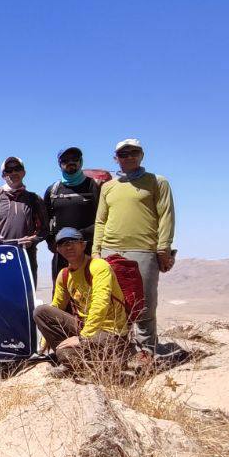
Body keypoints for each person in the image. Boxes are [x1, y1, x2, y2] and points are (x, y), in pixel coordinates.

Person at [93, 138, 176, 350]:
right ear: (116, 158)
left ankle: (147, 350)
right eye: (123, 154)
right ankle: (120, 349)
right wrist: (96, 251)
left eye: (134, 153)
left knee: (144, 303)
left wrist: (163, 248)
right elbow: (101, 220)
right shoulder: (108, 187)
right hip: (110, 250)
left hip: (143, 249)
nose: (129, 157)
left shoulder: (157, 182)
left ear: (142, 155)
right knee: (114, 302)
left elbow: (166, 216)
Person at [34, 228, 130, 372]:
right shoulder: (64, 275)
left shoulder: (98, 266)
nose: (68, 247)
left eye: (72, 242)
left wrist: (83, 338)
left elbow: (100, 303)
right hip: (84, 328)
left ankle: (96, 362)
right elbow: (56, 307)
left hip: (110, 332)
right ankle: (70, 357)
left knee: (64, 353)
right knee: (41, 312)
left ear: (83, 245)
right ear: (58, 250)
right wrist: (44, 342)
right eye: (62, 244)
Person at [0, 156, 48, 281]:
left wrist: (33, 240)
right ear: (3, 175)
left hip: (26, 258)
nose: (13, 173)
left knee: (27, 293)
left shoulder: (34, 199)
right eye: (9, 170)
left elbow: (45, 229)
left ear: (24, 172)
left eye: (17, 169)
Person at [44, 147, 100, 282]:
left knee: (90, 291)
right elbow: (45, 220)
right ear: (60, 164)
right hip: (62, 253)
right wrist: (51, 242)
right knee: (61, 291)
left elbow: (102, 219)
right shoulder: (53, 190)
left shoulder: (93, 186)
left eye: (74, 159)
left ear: (81, 161)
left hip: (87, 250)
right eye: (65, 160)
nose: (70, 162)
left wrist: (78, 237)